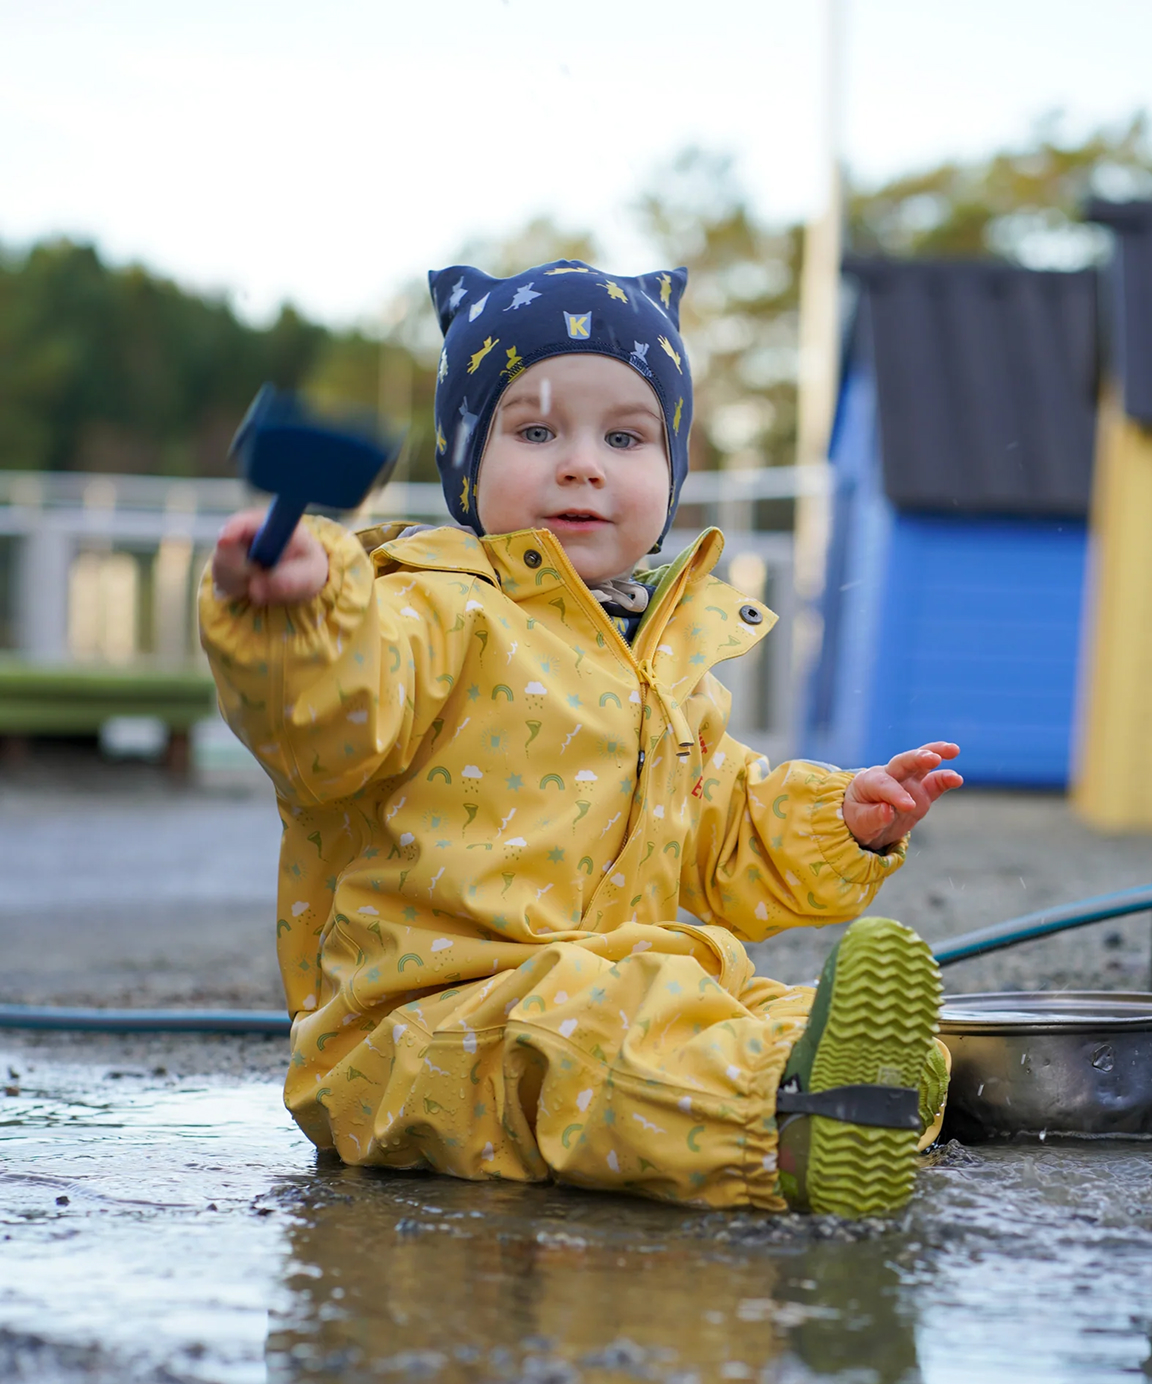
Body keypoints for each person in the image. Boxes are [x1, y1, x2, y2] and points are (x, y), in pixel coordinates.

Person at [200, 260, 961, 1217]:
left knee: (758, 1006)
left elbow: (722, 834)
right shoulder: (429, 612)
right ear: (467, 463)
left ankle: (845, 1092)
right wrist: (300, 619)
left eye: (626, 436)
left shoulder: (662, 656)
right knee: (601, 1034)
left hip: (610, 990)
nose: (582, 463)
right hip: (434, 1026)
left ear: (671, 474)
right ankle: (782, 1121)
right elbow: (329, 714)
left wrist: (842, 819)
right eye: (535, 430)